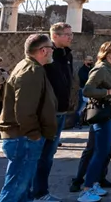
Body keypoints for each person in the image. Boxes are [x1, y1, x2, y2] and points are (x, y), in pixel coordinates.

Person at [0, 34, 58, 202]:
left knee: (22, 190)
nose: (53, 51)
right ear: (43, 51)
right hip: (24, 138)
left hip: (23, 137)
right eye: (51, 48)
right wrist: (33, 134)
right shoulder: (31, 70)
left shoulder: (28, 66)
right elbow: (24, 109)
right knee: (16, 188)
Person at [31, 22, 75, 202]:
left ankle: (41, 191)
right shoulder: (47, 55)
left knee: (48, 156)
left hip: (61, 111)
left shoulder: (66, 54)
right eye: (67, 34)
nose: (71, 37)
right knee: (42, 156)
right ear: (55, 36)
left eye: (71, 34)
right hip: (49, 112)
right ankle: (38, 193)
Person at [76, 41, 111, 202]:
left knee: (104, 152)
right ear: (107, 52)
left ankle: (94, 183)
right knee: (100, 152)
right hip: (102, 114)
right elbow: (88, 90)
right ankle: (87, 188)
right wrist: (109, 91)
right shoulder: (101, 68)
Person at [75, 56, 95, 128]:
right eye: (89, 60)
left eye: (91, 60)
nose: (90, 62)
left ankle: (87, 122)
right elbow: (85, 79)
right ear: (85, 61)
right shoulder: (82, 70)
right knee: (81, 107)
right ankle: (77, 123)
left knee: (90, 107)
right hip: (83, 90)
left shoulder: (92, 69)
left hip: (90, 90)